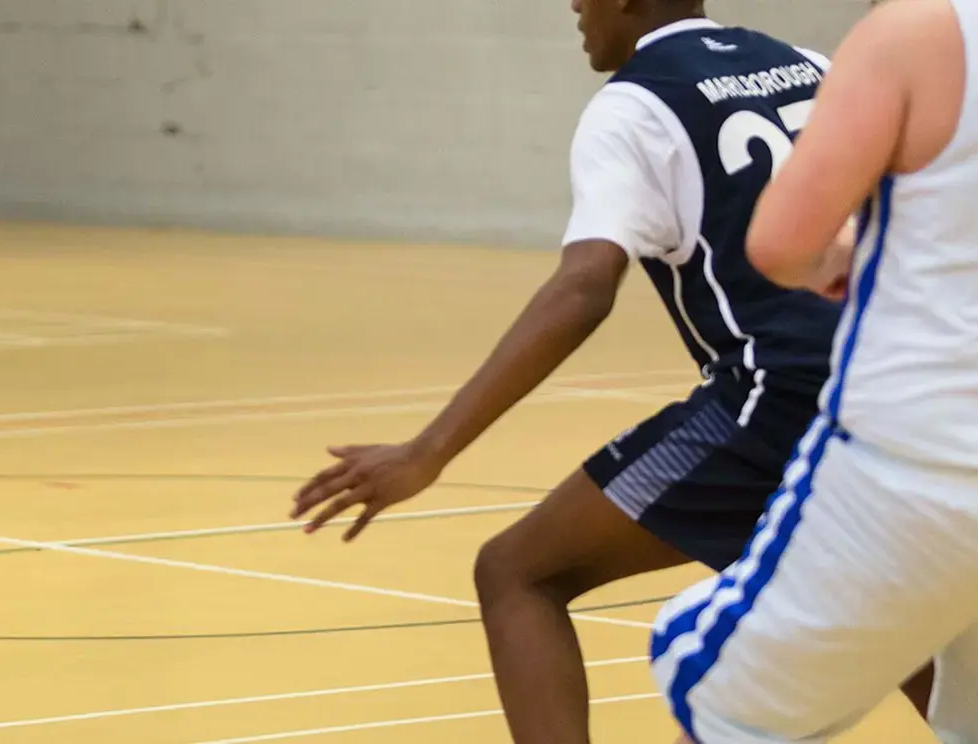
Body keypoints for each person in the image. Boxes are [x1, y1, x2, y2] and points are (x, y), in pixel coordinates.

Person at [287, 1, 931, 741]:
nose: (573, 6)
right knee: (901, 618)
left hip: (776, 397)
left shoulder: (635, 103)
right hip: (892, 385)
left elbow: (585, 285)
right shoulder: (811, 65)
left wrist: (428, 451)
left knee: (517, 574)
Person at [650, 0, 978, 740]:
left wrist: (844, 254)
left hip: (923, 472)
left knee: (726, 708)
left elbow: (780, 245)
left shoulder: (912, 34)